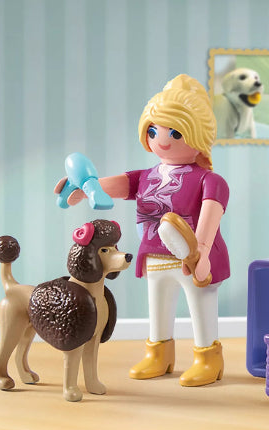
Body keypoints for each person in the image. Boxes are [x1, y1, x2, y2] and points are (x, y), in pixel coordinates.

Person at [57, 74, 229, 387]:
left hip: (191, 258)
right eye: (153, 130)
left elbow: (210, 216)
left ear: (198, 135)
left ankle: (208, 358)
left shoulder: (209, 180)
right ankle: (158, 354)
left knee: (200, 307)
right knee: (158, 306)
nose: (162, 140)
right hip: (154, 256)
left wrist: (202, 252)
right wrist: (84, 188)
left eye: (175, 132)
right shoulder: (147, 176)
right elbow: (114, 186)